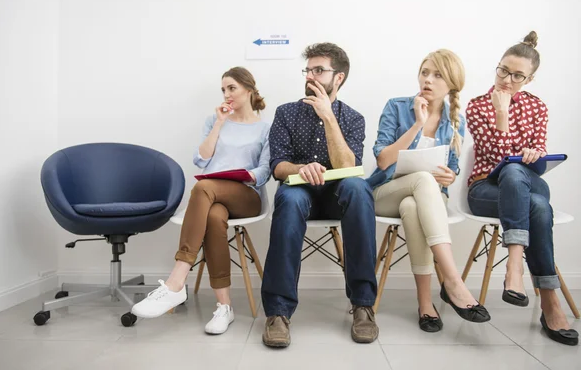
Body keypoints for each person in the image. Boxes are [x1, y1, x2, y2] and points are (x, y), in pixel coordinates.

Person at [132, 67, 271, 335]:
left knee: (203, 187)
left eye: (232, 88)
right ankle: (224, 307)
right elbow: (202, 159)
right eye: (223, 90)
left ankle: (175, 281)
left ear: (249, 89)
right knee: (214, 216)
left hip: (247, 196)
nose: (226, 94)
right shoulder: (213, 120)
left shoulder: (266, 127)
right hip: (213, 196)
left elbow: (265, 170)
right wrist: (220, 123)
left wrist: (244, 175)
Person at [261, 42, 378, 348]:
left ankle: (363, 305)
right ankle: (277, 312)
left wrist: (328, 117)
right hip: (300, 193)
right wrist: (302, 168)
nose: (310, 75)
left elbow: (348, 166)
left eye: (318, 70)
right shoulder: (285, 113)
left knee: (358, 186)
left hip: (340, 196)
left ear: (338, 78)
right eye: (308, 69)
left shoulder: (353, 118)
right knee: (289, 196)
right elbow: (278, 167)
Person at [466, 31, 578, 346]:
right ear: (497, 67)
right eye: (503, 70)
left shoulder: (538, 107)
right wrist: (501, 112)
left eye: (517, 75)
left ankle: (515, 266)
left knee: (519, 173)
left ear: (529, 79)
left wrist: (534, 155)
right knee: (536, 202)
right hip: (485, 189)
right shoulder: (477, 106)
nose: (507, 79)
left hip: (526, 184)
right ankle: (549, 303)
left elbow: (538, 153)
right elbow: (494, 158)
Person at [368, 49, 490, 332]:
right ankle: (453, 280)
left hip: (425, 200)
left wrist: (450, 176)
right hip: (386, 193)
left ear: (451, 84)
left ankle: (425, 303)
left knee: (413, 205)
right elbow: (383, 160)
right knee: (423, 179)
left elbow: (453, 167)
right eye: (425, 72)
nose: (428, 80)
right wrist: (418, 124)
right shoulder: (396, 106)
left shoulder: (455, 120)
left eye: (437, 75)